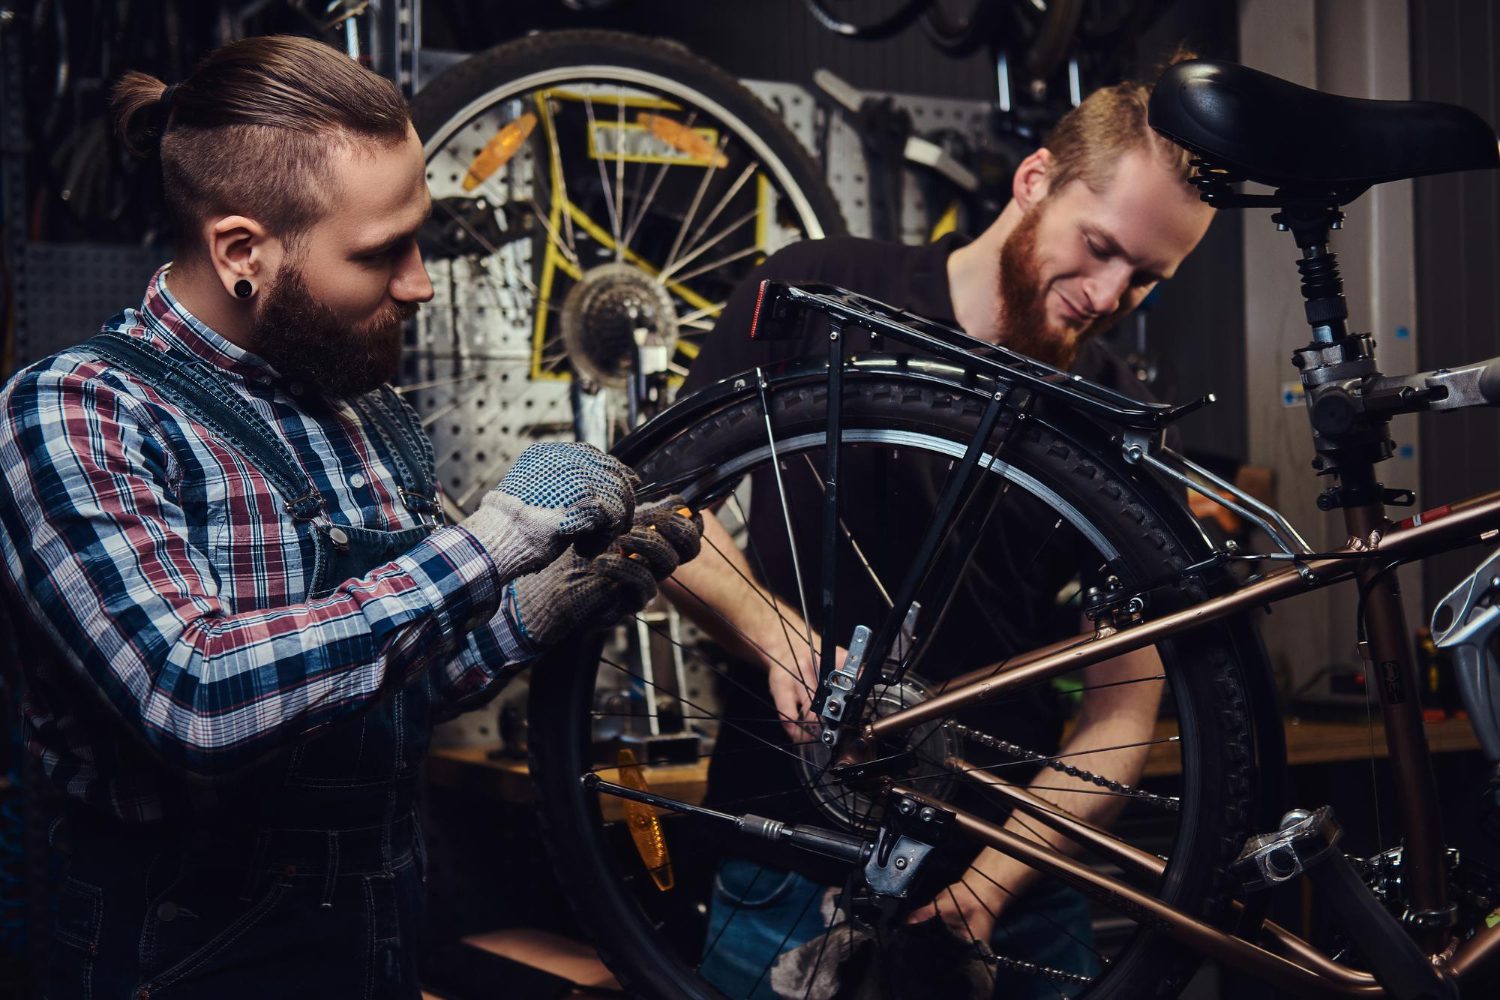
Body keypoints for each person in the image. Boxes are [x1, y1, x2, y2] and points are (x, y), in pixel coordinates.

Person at [0, 35, 700, 999]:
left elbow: (394, 679)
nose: (418, 281)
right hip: (187, 959)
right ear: (242, 251)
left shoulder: (352, 402)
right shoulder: (79, 412)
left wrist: (544, 599)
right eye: (380, 252)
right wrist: (492, 542)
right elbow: (195, 695)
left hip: (374, 937)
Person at [666, 56, 1215, 998]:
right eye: (1098, 246)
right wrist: (782, 639)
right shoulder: (821, 293)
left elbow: (1126, 704)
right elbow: (659, 512)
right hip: (785, 857)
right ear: (1033, 180)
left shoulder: (1111, 414)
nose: (1107, 295)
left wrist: (992, 885)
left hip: (1012, 884)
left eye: (1145, 277)